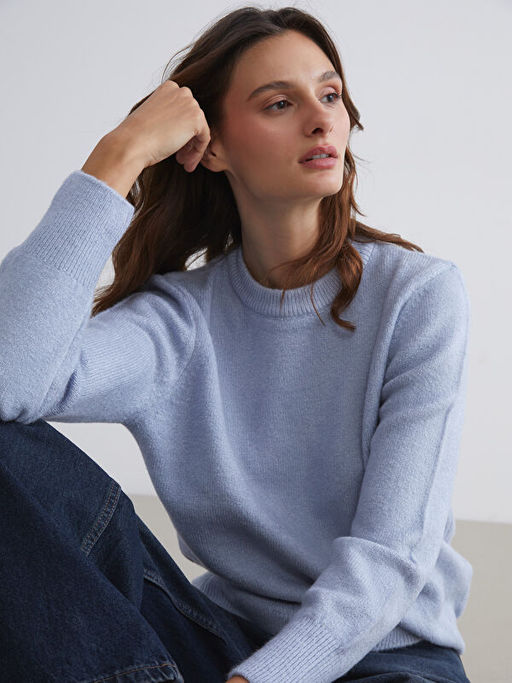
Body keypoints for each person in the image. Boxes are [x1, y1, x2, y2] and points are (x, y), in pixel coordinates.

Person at [0, 5, 473, 682]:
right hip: (219, 645)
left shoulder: (417, 297)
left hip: (390, 660)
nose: (321, 120)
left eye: (330, 95)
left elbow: (390, 559)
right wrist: (118, 155)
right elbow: (8, 376)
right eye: (280, 103)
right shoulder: (178, 324)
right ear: (213, 146)